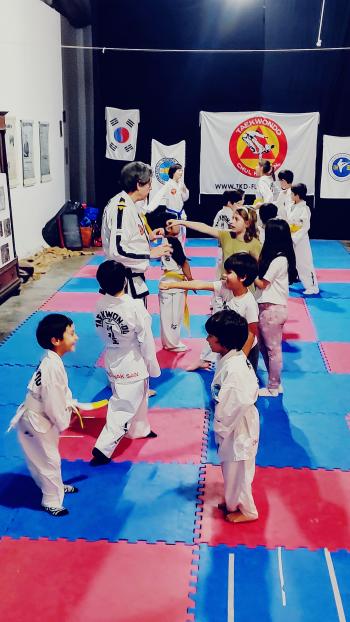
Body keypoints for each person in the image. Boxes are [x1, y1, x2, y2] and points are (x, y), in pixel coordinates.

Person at [8, 314, 80, 517]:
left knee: (46, 459)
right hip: (36, 420)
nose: (76, 338)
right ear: (56, 340)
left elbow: (60, 393)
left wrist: (70, 403)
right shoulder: (51, 366)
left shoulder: (52, 360)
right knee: (48, 461)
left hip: (39, 417)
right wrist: (64, 420)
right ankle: (51, 500)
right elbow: (53, 402)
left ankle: (54, 486)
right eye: (72, 334)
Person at [91, 260, 161, 466]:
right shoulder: (135, 306)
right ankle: (103, 448)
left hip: (112, 357)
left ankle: (140, 430)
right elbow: (146, 340)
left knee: (138, 398)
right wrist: (152, 366)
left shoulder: (99, 304)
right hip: (132, 361)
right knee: (122, 406)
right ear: (124, 281)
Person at [160, 252, 260, 372]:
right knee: (225, 375)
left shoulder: (249, 303)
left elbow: (251, 333)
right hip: (229, 345)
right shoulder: (224, 287)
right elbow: (199, 284)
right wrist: (171, 285)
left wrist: (242, 358)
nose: (224, 275)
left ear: (243, 277)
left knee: (244, 379)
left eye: (229, 272)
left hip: (246, 349)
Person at [205, 310, 259, 523]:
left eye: (211, 336)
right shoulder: (229, 358)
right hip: (232, 423)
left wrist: (220, 428)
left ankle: (247, 511)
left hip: (238, 427)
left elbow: (236, 403)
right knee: (229, 468)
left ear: (223, 341)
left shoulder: (235, 369)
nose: (207, 339)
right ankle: (231, 501)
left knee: (240, 472)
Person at [101, 161, 172, 304]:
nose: (151, 188)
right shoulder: (121, 207)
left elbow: (130, 238)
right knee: (133, 325)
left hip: (131, 278)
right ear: (139, 184)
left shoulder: (128, 204)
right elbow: (118, 250)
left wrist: (149, 240)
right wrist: (150, 254)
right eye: (149, 184)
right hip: (124, 283)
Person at [255, 219, 297, 397]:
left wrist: (248, 272)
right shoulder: (277, 256)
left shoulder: (280, 259)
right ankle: (275, 383)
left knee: (273, 349)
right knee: (266, 348)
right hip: (268, 308)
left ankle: (273, 387)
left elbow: (262, 284)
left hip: (272, 310)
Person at [168, 207, 261, 274]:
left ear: (247, 223)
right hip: (225, 285)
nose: (231, 222)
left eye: (236, 219)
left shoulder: (254, 244)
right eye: (232, 218)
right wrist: (181, 222)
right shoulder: (226, 235)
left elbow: (258, 268)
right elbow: (204, 227)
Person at [157, 215, 194, 352]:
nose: (178, 225)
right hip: (175, 282)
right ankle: (173, 344)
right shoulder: (173, 242)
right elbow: (184, 262)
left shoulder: (163, 240)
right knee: (174, 316)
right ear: (169, 227)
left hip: (166, 280)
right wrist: (191, 281)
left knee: (166, 316)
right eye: (175, 223)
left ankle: (167, 343)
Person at [286, 183, 319, 295]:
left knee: (304, 263)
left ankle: (313, 287)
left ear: (297, 195)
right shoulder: (292, 205)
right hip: (291, 237)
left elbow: (305, 226)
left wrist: (294, 238)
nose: (290, 195)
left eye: (292, 193)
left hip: (300, 240)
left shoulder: (305, 209)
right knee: (290, 263)